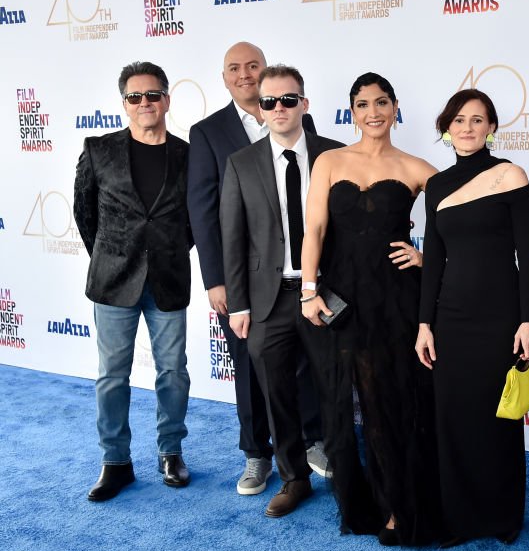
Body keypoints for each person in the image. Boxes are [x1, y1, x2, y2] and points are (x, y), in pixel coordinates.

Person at [300, 72, 441, 546]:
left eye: (382, 103)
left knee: (389, 401)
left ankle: (398, 505)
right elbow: (314, 231)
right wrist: (308, 289)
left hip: (395, 299)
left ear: (395, 108)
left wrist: (427, 256)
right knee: (340, 403)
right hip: (340, 299)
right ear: (352, 111)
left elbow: (460, 225)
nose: (374, 112)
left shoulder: (416, 168)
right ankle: (358, 500)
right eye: (363, 104)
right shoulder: (328, 161)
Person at [188, 42, 328, 496]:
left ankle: (316, 444)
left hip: (313, 287)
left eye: (254, 66)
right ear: (224, 77)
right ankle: (258, 454)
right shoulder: (211, 135)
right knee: (253, 374)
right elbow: (210, 214)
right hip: (250, 283)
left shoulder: (319, 143)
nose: (246, 75)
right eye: (235, 68)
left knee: (316, 374)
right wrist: (220, 282)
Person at [220, 65, 345, 518]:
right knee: (276, 394)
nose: (278, 108)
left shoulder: (335, 154)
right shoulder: (242, 162)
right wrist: (239, 304)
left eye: (288, 100)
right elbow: (231, 238)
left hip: (325, 294)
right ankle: (294, 478)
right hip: (267, 299)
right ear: (259, 108)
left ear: (304, 105)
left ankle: (343, 469)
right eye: (268, 102)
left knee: (334, 387)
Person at [415, 89, 529, 547]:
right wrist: (424, 324)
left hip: (501, 317)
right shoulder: (437, 186)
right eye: (460, 120)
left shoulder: (509, 176)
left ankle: (503, 516)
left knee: (498, 418)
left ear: (491, 127)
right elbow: (435, 258)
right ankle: (460, 517)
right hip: (451, 318)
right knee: (453, 419)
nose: (468, 128)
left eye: (478, 120)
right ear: (447, 126)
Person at [73, 61, 193, 501]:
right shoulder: (98, 149)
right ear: (124, 103)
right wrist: (112, 254)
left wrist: (169, 252)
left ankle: (171, 452)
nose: (145, 103)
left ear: (166, 99)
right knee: (111, 378)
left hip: (168, 279)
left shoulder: (188, 154)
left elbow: (196, 220)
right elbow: (85, 214)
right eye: (135, 97)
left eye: (152, 95)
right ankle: (116, 461)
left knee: (174, 373)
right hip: (113, 281)